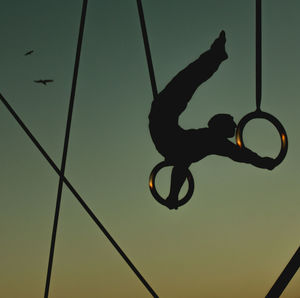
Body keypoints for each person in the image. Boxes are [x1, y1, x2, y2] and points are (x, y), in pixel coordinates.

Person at [148, 31, 275, 209]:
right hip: (164, 123)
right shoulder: (212, 140)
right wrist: (264, 162)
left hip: (163, 122)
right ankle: (215, 56)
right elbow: (240, 155)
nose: (236, 125)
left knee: (189, 80)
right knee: (189, 80)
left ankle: (215, 55)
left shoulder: (210, 140)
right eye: (232, 123)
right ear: (221, 127)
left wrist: (173, 196)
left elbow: (183, 163)